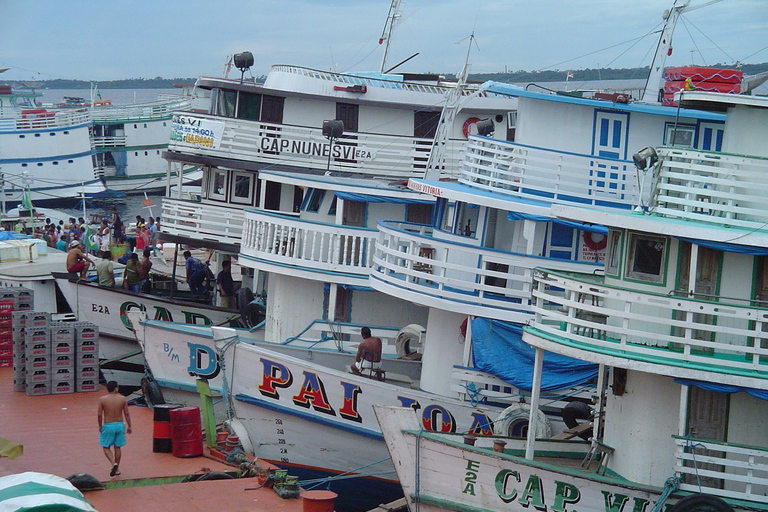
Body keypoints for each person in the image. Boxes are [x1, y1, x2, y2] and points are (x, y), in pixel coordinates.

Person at [98, 381, 132, 477]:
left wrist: (100, 425)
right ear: (115, 388)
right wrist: (129, 426)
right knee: (117, 447)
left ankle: (113, 464)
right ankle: (117, 468)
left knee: (106, 446)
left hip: (108, 425)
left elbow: (100, 415)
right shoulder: (122, 399)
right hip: (120, 425)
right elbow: (126, 413)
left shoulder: (102, 399)